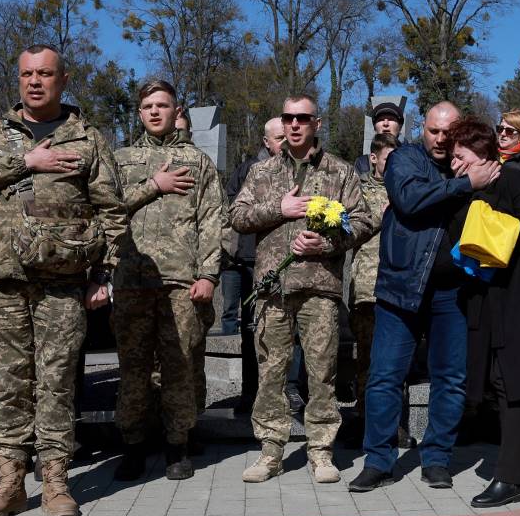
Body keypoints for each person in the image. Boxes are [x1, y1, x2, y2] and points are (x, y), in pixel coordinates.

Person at [0, 44, 127, 516]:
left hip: (61, 283)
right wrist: (25, 162)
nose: (34, 82)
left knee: (57, 382)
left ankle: (55, 481)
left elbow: (112, 211)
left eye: (44, 74)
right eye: (27, 74)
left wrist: (102, 275)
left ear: (62, 80)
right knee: (7, 383)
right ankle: (9, 483)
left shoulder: (87, 138)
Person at [348, 101, 500, 492]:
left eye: (447, 133)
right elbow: (410, 200)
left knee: (449, 379)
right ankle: (379, 461)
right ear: (422, 128)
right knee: (384, 378)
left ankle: (436, 459)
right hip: (400, 288)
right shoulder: (404, 159)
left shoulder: (465, 163)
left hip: (452, 293)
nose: (440, 139)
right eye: (433, 131)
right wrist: (467, 184)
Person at [231, 94, 371, 484]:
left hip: (319, 288)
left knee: (321, 371)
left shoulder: (339, 172)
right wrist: (281, 209)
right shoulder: (263, 173)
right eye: (288, 117)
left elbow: (361, 222)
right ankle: (270, 450)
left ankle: (321, 450)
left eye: (302, 118)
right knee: (271, 371)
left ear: (316, 123)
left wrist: (325, 245)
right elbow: (238, 216)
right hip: (273, 288)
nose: (294, 125)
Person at [109, 79, 224, 481]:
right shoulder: (120, 159)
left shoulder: (197, 162)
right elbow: (107, 211)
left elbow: (213, 221)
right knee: (133, 369)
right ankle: (134, 446)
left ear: (176, 111)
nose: (155, 112)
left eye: (163, 105)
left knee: (179, 367)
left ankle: (177, 445)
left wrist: (208, 273)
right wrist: (151, 187)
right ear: (138, 113)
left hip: (180, 282)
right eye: (147, 106)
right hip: (130, 281)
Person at [442, 117, 520, 507]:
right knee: (492, 384)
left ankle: (509, 479)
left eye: (461, 156)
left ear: (482, 154)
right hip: (484, 299)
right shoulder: (462, 190)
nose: (454, 163)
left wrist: (488, 225)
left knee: (510, 384)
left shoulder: (514, 181)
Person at [347, 133, 411, 446]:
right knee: (367, 361)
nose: (394, 166)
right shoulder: (355, 189)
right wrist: (381, 217)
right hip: (367, 288)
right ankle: (365, 421)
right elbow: (346, 230)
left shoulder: (407, 188)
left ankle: (395, 424)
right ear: (373, 158)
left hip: (400, 287)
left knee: (397, 360)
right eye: (388, 160)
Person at [221, 118, 286, 412]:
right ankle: (250, 391)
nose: (285, 143)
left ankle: (290, 390)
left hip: (289, 257)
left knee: (289, 328)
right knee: (252, 328)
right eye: (279, 138)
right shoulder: (249, 170)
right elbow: (235, 211)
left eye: (288, 137)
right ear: (266, 142)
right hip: (252, 258)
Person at [354, 101, 404, 176]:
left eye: (391, 119)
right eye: (380, 120)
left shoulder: (414, 158)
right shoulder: (363, 163)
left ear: (400, 126)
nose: (385, 124)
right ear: (374, 128)